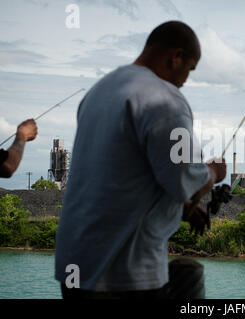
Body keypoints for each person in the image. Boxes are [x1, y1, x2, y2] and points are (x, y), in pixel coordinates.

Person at [55, 21, 227, 299]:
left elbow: (120, 173)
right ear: (176, 56)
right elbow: (185, 179)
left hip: (75, 265)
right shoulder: (164, 99)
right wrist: (215, 172)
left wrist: (181, 206)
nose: (185, 79)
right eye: (190, 69)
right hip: (125, 272)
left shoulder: (100, 91)